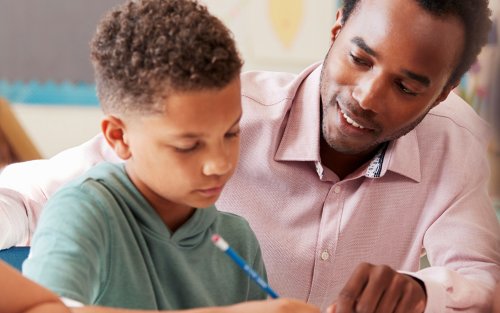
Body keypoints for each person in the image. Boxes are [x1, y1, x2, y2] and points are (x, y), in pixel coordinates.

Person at [0, 0, 499, 312]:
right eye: (359, 58)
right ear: (336, 31)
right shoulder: (219, 107)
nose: (367, 97)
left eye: (407, 86)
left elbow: (485, 282)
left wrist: (423, 292)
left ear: (444, 93)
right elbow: (31, 197)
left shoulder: (457, 145)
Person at [12, 0, 319, 312]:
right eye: (188, 146)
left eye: (231, 133)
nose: (220, 163)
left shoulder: (237, 238)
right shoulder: (86, 210)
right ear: (119, 137)